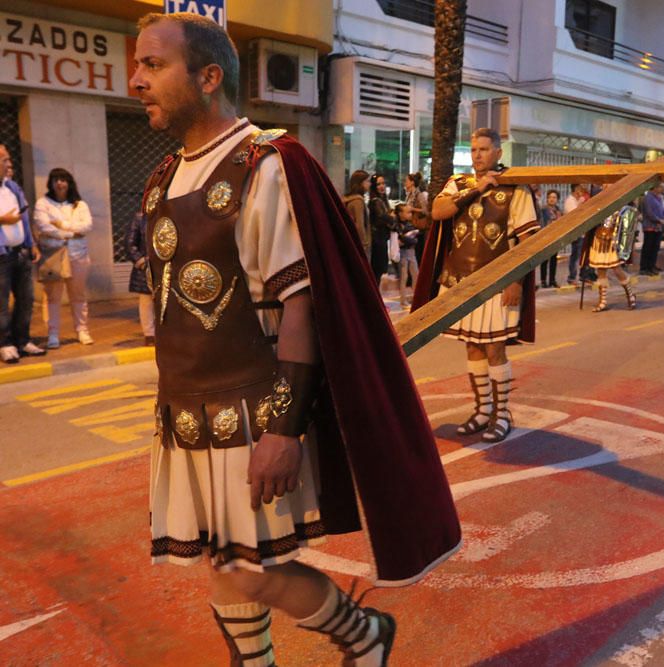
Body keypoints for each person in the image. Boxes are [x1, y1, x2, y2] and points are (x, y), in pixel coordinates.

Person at [130, 13, 459, 666]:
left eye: (153, 65)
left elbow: (299, 305)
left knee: (248, 568)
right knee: (225, 563)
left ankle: (363, 634)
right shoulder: (163, 176)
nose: (136, 79)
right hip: (186, 411)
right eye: (137, 64)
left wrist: (283, 429)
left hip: (252, 413)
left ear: (209, 75)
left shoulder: (267, 164)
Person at [412, 127, 539, 444]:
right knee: (472, 345)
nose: (478, 154)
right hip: (460, 283)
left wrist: (516, 282)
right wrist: (475, 189)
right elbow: (438, 211)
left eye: (484, 149)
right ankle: (483, 411)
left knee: (495, 347)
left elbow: (528, 241)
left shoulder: (515, 189)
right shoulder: (458, 184)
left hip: (498, 284)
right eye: (474, 149)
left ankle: (502, 414)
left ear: (498, 152)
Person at [33, 168, 94, 348]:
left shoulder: (80, 205)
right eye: (56, 180)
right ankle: (53, 334)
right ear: (50, 183)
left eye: (63, 180)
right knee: (53, 298)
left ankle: (82, 330)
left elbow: (87, 226)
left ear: (69, 183)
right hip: (54, 256)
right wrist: (70, 233)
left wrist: (61, 225)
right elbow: (43, 226)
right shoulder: (43, 203)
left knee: (78, 296)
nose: (59, 183)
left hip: (78, 255)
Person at [0, 145, 43, 363]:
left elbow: (24, 218)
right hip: (2, 256)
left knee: (26, 299)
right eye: (5, 160)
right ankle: (5, 343)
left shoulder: (12, 188)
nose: (9, 164)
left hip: (21, 253)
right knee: (1, 303)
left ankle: (22, 340)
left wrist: (31, 243)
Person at [583, 203, 637, 311]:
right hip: (599, 238)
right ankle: (603, 300)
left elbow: (626, 221)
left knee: (616, 269)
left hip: (613, 241)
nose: (605, 186)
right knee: (601, 270)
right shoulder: (599, 201)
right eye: (603, 185)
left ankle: (630, 294)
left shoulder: (621, 203)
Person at [126, 211, 155, 345]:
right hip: (146, 267)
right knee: (146, 301)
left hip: (165, 266)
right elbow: (130, 244)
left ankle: (164, 332)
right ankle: (149, 334)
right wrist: (141, 261)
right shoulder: (140, 218)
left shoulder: (169, 215)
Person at [369, 173, 393, 289]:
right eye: (378, 184)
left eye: (383, 183)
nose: (382, 186)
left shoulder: (381, 200)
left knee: (378, 272)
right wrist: (392, 217)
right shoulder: (375, 201)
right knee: (376, 272)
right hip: (377, 240)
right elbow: (383, 217)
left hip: (381, 239)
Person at [393, 203, 420, 308]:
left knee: (415, 275)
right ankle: (403, 300)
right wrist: (409, 239)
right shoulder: (397, 225)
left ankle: (415, 297)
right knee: (404, 277)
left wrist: (409, 239)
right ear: (400, 213)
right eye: (408, 212)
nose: (410, 214)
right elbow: (400, 240)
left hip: (411, 252)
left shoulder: (409, 224)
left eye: (410, 212)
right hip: (403, 253)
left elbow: (410, 239)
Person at [563, 183, 589, 285]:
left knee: (580, 255)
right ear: (575, 190)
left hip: (581, 232)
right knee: (575, 255)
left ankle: (582, 275)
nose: (581, 192)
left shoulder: (576, 200)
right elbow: (575, 215)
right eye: (579, 189)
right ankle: (572, 277)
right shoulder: (570, 201)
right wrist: (581, 205)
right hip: (575, 232)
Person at [639, 182, 664, 275]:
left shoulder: (659, 198)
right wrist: (658, 219)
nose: (662, 190)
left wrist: (663, 219)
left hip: (658, 227)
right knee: (648, 247)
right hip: (650, 226)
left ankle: (651, 265)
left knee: (655, 248)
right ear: (655, 187)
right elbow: (649, 212)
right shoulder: (648, 198)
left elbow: (663, 210)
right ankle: (644, 267)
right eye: (661, 187)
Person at [343, 170, 371, 260]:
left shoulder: (348, 199)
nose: (369, 184)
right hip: (358, 243)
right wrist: (364, 243)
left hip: (350, 240)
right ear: (360, 183)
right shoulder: (358, 201)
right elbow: (360, 224)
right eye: (367, 181)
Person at [539, 189, 561, 287]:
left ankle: (552, 280)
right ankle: (543, 280)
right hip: (545, 237)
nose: (552, 199)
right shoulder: (543, 209)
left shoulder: (558, 210)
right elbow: (541, 223)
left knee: (554, 260)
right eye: (550, 197)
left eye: (554, 197)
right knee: (544, 260)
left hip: (555, 237)